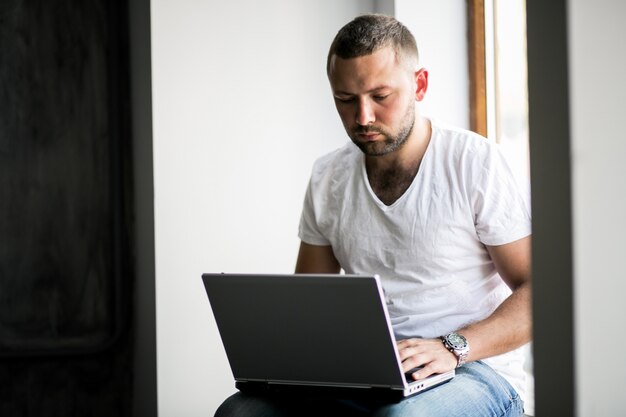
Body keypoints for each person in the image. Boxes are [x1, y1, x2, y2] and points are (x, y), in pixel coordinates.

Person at [215, 13, 531, 417]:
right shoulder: (328, 175)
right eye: (345, 100)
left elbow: (537, 292)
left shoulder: (474, 162)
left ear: (419, 84)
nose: (362, 117)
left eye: (381, 97)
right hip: (367, 374)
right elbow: (308, 301)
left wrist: (453, 347)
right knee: (241, 412)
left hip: (473, 371)